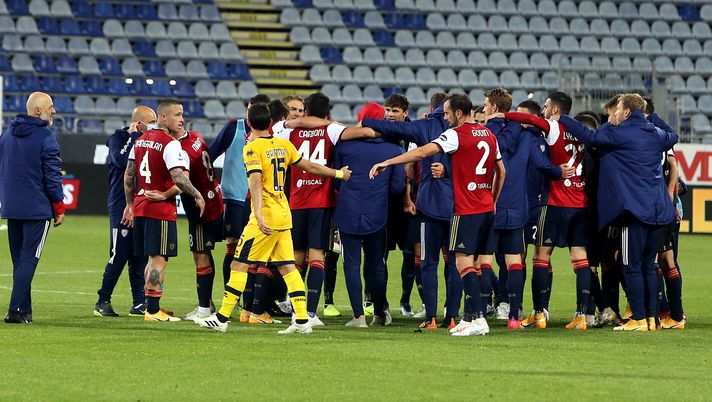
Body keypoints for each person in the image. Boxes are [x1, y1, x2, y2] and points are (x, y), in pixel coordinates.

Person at [197, 103, 352, 334]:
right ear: (271, 123)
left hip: (266, 216)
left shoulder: (251, 148)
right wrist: (338, 173)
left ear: (249, 122)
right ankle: (302, 321)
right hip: (283, 214)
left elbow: (256, 181)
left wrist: (258, 213)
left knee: (239, 262)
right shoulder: (283, 144)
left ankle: (220, 319)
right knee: (288, 267)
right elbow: (310, 166)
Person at [371, 93, 505, 337]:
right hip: (486, 207)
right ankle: (466, 318)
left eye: (447, 113)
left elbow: (422, 152)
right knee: (473, 264)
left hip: (466, 209)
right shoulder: (488, 133)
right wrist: (493, 199)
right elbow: (501, 171)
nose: (444, 117)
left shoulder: (455, 134)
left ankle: (478, 318)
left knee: (462, 263)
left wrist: (389, 162)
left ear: (459, 114)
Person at [557, 94, 678, 331]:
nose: (614, 113)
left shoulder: (617, 133)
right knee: (649, 266)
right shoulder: (655, 133)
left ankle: (639, 319)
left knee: (630, 265)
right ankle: (652, 319)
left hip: (634, 211)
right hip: (660, 211)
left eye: (618, 109)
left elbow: (589, 136)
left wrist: (562, 118)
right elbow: (673, 135)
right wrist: (650, 115)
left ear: (626, 113)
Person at [362, 93, 462, 330]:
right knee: (456, 262)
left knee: (428, 262)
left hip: (428, 206)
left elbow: (393, 128)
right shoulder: (466, 131)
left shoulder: (425, 126)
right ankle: (453, 316)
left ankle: (432, 317)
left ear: (433, 108)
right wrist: (448, 171)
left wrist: (366, 122)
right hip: (458, 206)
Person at [271, 93, 374, 326]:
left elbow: (284, 124)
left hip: (296, 200)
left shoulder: (286, 130)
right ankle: (310, 313)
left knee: (296, 256)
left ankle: (294, 307)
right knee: (317, 255)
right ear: (328, 113)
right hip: (322, 200)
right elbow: (363, 132)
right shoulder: (332, 130)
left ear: (305, 111)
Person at [496, 92, 592, 330]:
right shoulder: (582, 132)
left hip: (555, 202)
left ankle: (539, 313)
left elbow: (533, 121)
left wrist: (502, 114)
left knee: (541, 257)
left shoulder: (554, 127)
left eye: (547, 107)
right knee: (581, 259)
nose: (544, 111)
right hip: (580, 203)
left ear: (556, 110)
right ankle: (582, 315)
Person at [482, 90, 572, 329]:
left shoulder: (485, 133)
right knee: (515, 263)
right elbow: (543, 165)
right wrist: (559, 171)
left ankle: (479, 314)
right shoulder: (528, 138)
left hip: (489, 206)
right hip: (518, 209)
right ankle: (514, 314)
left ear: (492, 108)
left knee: (483, 262)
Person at [122, 99, 205, 322]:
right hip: (159, 209)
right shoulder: (170, 144)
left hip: (141, 206)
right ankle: (152, 310)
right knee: (160, 259)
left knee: (152, 259)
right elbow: (179, 177)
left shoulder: (139, 141)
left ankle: (152, 306)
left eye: (182, 114)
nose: (182, 119)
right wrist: (197, 194)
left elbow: (129, 175)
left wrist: (130, 204)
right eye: (177, 114)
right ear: (163, 118)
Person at [333, 114, 405, 327]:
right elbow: (397, 188)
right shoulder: (393, 150)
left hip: (348, 212)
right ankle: (380, 313)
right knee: (377, 265)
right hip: (378, 214)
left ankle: (358, 317)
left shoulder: (343, 147)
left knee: (351, 264)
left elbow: (337, 181)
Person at [0, 92, 64, 324]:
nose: (54, 111)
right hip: (37, 208)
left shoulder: (7, 134)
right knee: (29, 259)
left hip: (11, 207)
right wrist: (59, 206)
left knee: (19, 260)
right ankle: (15, 310)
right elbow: (52, 175)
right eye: (50, 106)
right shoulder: (45, 137)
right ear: (37, 111)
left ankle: (24, 310)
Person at [94, 106, 156, 317]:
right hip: (121, 206)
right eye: (151, 121)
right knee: (118, 255)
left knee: (139, 256)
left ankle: (139, 302)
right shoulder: (118, 138)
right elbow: (121, 161)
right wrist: (133, 136)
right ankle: (102, 300)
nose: (154, 126)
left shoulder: (149, 142)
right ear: (139, 124)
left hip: (140, 205)